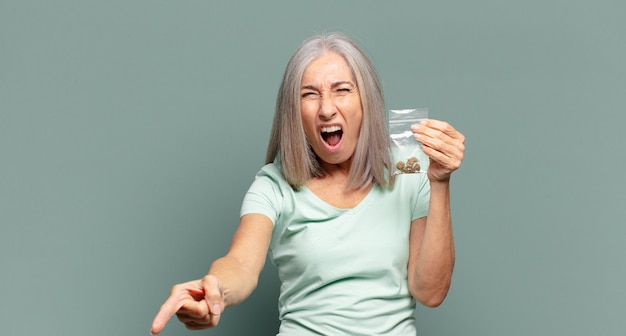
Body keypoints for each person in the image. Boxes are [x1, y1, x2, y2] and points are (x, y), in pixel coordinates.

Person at [150, 32, 465, 335]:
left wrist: (439, 183)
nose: (327, 109)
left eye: (342, 90)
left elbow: (430, 292)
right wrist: (216, 288)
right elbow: (241, 263)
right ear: (294, 111)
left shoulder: (408, 170)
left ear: (367, 100)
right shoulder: (275, 185)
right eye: (310, 94)